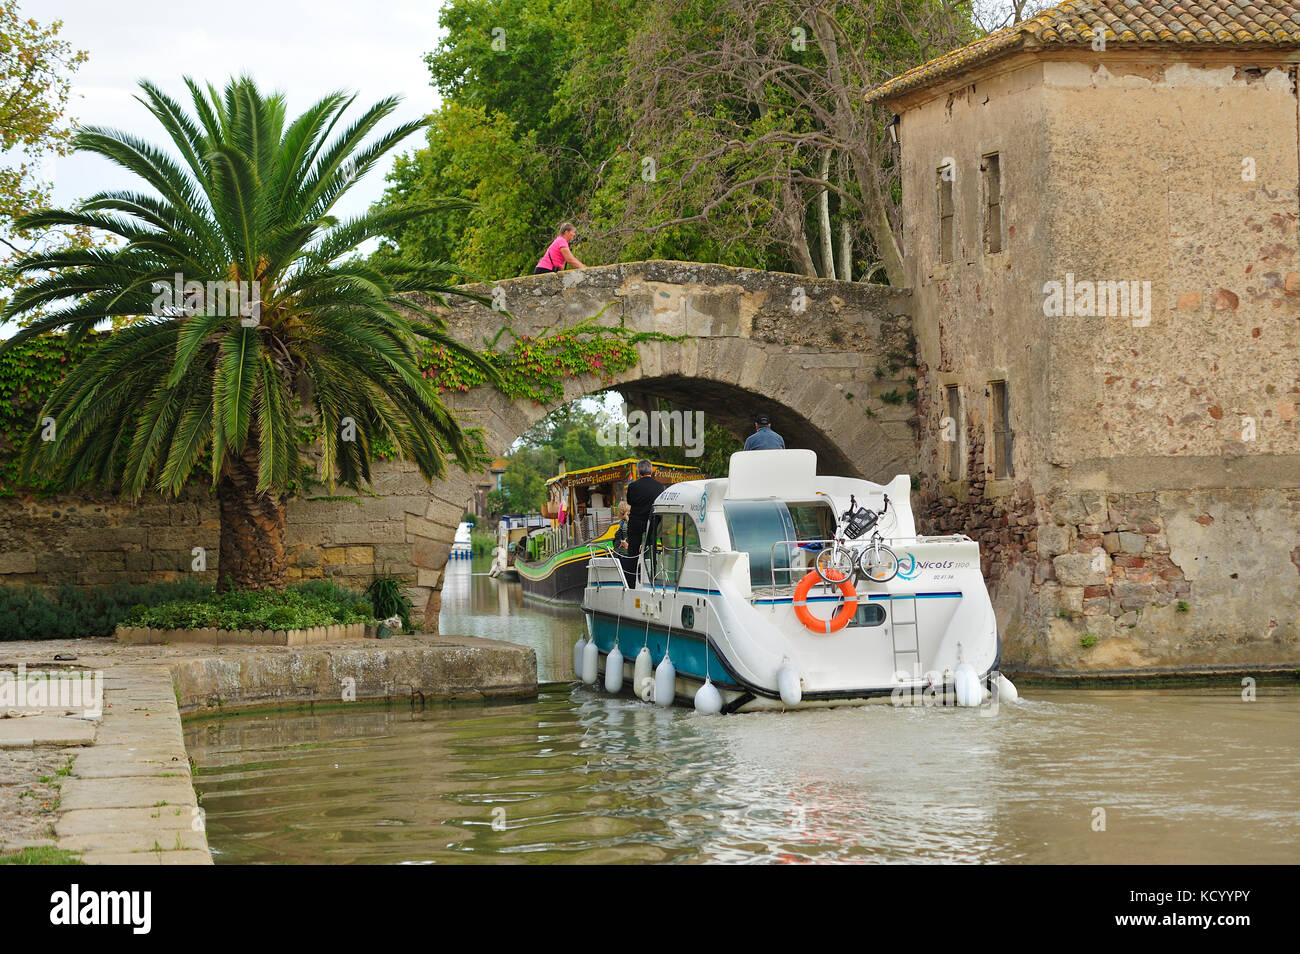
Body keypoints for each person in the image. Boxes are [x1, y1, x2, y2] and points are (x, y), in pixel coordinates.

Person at [623, 459, 664, 585]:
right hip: (652, 522)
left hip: (635, 522)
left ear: (638, 471)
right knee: (652, 549)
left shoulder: (633, 486)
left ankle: (631, 582)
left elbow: (629, 502)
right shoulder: (660, 487)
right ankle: (653, 577)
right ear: (651, 471)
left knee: (633, 553)